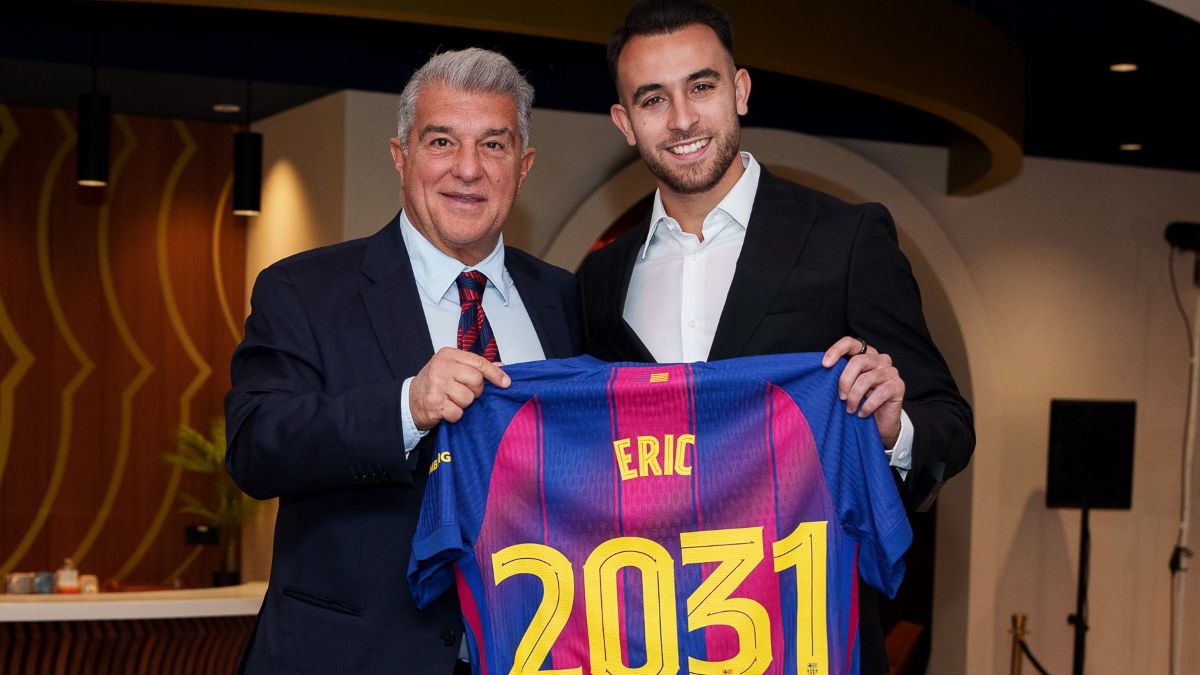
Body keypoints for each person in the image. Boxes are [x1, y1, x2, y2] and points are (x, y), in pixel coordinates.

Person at [576, 1, 974, 672]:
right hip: (648, 642)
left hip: (811, 637)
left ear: (740, 90)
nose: (681, 119)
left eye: (701, 86)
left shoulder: (846, 239)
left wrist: (891, 427)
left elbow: (950, 423)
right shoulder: (598, 280)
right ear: (625, 123)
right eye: (653, 99)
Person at [224, 48, 581, 674]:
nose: (468, 169)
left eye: (494, 146)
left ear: (522, 167)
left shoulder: (567, 299)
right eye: (441, 141)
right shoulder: (304, 290)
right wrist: (406, 408)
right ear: (401, 157)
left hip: (534, 652)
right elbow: (257, 445)